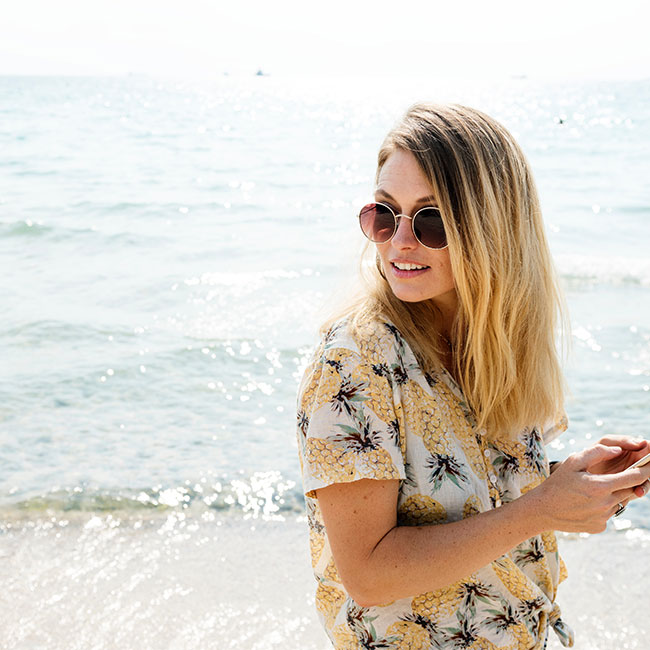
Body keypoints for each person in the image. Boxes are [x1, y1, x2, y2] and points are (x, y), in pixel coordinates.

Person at [295, 103, 650, 650]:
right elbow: (367, 574)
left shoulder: (491, 347)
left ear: (492, 226)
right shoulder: (354, 359)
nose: (400, 241)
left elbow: (468, 497)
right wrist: (542, 508)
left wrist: (575, 486)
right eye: (384, 214)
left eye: (431, 218)